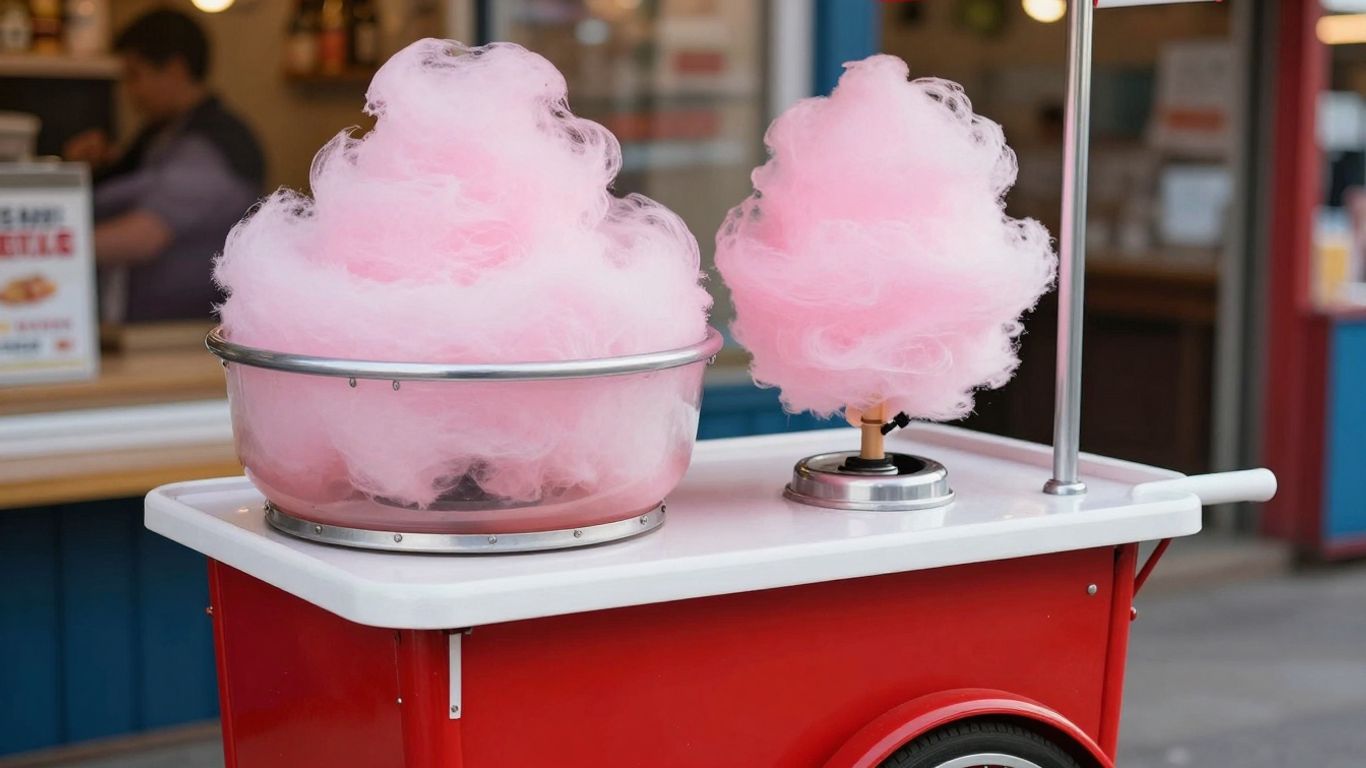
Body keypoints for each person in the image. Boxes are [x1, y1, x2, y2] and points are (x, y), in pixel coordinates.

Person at [64, 9, 264, 323]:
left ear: (174, 69)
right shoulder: (162, 134)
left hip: (182, 334)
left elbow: (143, 237)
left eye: (134, 75)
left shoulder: (213, 145)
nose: (128, 92)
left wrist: (41, 249)